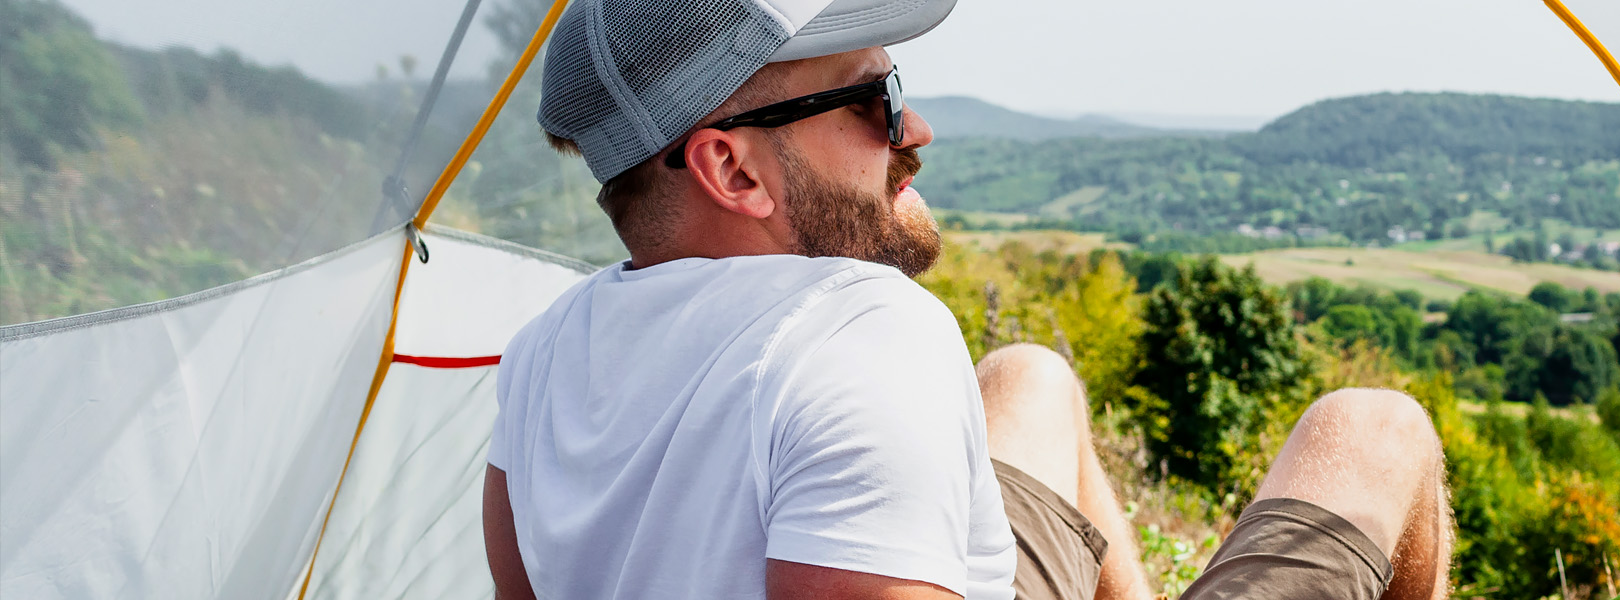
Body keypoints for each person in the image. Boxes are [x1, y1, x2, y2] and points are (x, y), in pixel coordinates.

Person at [482, 0, 1451, 598]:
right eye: (871, 99)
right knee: (1375, 429)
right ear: (732, 169)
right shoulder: (860, 333)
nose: (918, 127)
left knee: (1029, 377)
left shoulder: (537, 359)